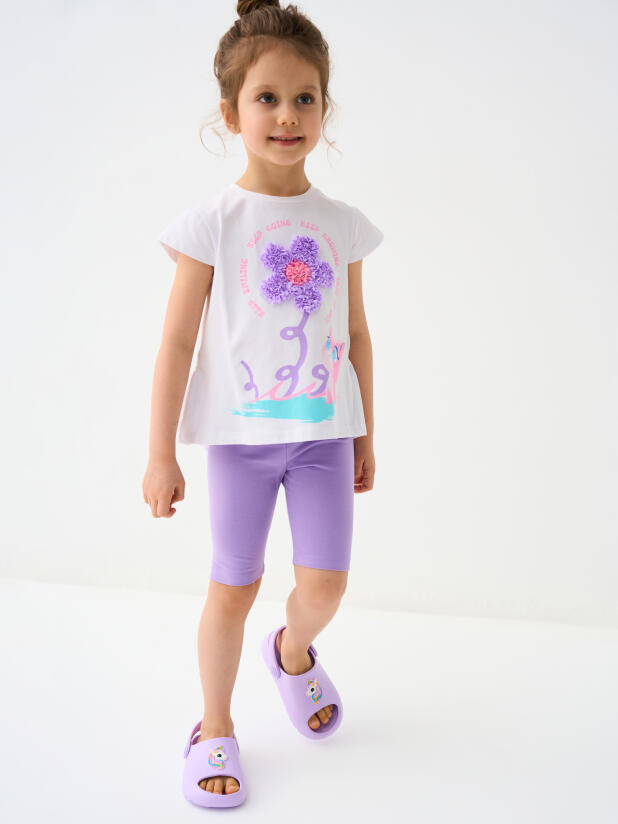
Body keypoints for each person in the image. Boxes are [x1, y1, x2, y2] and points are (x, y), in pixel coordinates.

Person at [142, 0, 384, 809]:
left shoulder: (342, 226)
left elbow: (356, 333)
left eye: (304, 97)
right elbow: (177, 343)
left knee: (325, 588)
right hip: (240, 444)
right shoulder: (212, 224)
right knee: (233, 587)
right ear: (230, 112)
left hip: (323, 438)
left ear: (324, 108)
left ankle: (292, 654)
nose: (287, 115)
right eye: (267, 98)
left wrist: (365, 433)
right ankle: (213, 725)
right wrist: (160, 453)